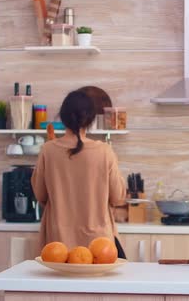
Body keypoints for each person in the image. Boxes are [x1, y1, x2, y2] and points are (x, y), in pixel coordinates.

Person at [31, 90, 127, 258]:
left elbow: (40, 194)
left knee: (59, 284)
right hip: (99, 246)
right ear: (90, 120)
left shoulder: (48, 150)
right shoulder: (105, 151)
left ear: (63, 117)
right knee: (98, 283)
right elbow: (118, 197)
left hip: (58, 243)